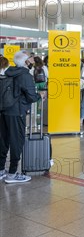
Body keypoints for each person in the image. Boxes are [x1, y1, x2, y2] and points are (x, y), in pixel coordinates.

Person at [0, 51, 40, 183]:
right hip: (17, 112)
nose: (33, 60)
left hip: (4, 110)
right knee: (17, 141)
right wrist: (40, 96)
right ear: (26, 61)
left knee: (4, 140)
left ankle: (1, 170)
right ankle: (12, 174)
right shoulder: (25, 75)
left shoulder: (9, 71)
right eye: (31, 58)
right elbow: (31, 96)